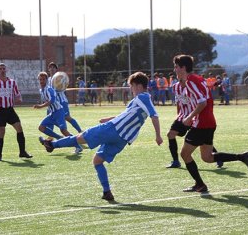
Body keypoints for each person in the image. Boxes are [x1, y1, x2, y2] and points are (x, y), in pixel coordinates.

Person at [39, 72, 163, 201]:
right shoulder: (141, 100)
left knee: (80, 137)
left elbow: (154, 115)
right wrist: (109, 118)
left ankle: (52, 145)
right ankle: (107, 192)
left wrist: (158, 135)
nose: (131, 89)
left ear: (137, 86)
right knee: (97, 161)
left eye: (131, 86)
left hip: (112, 129)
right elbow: (127, 115)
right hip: (122, 140)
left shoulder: (142, 97)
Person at [173, 54, 248, 193]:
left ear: (183, 68)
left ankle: (200, 185)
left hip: (201, 124)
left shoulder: (191, 81)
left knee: (184, 154)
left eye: (176, 66)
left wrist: (189, 117)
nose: (174, 69)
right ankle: (242, 157)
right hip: (209, 122)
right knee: (208, 157)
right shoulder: (198, 79)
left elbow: (202, 103)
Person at [166, 78, 223, 169]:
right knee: (170, 134)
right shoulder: (175, 87)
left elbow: (201, 97)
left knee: (200, 139)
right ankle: (176, 161)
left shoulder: (192, 85)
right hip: (183, 116)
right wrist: (178, 115)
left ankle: (217, 157)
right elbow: (178, 102)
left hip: (193, 116)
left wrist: (215, 83)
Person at [0, 63, 32, 161]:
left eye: (4, 68)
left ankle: (22, 152)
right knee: (1, 131)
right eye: (0, 69)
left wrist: (19, 99)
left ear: (6, 70)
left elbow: (17, 94)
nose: (2, 70)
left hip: (10, 110)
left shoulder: (12, 82)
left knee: (19, 128)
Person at [34, 71, 83, 154]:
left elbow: (52, 100)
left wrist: (40, 106)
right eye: (40, 79)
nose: (41, 81)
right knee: (41, 127)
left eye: (43, 79)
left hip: (59, 112)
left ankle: (78, 146)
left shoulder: (49, 89)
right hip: (52, 113)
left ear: (46, 80)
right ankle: (58, 137)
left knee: (64, 130)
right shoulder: (41, 90)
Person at [47, 62, 83, 134]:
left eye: (54, 67)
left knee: (67, 117)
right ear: (48, 69)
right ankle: (50, 137)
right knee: (50, 118)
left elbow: (63, 87)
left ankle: (80, 131)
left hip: (61, 101)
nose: (52, 69)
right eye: (50, 67)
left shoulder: (60, 78)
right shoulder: (48, 80)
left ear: (56, 69)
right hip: (52, 102)